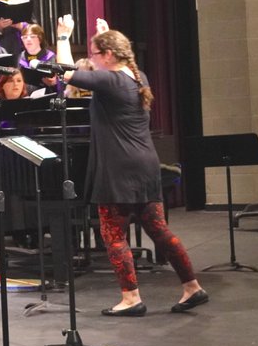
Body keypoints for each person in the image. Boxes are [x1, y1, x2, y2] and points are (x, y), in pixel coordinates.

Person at [55, 16, 207, 316]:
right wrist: (104, 35)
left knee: (113, 235)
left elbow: (66, 72)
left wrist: (63, 38)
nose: (93, 61)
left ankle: (131, 297)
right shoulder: (139, 78)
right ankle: (192, 286)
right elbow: (103, 62)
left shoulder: (109, 81)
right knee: (160, 230)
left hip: (118, 169)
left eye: (95, 54)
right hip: (145, 165)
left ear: (108, 55)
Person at [17, 23, 58, 93]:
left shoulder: (51, 57)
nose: (28, 39)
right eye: (25, 37)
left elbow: (62, 84)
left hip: (46, 98)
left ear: (40, 38)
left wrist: (55, 83)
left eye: (32, 36)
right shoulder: (19, 59)